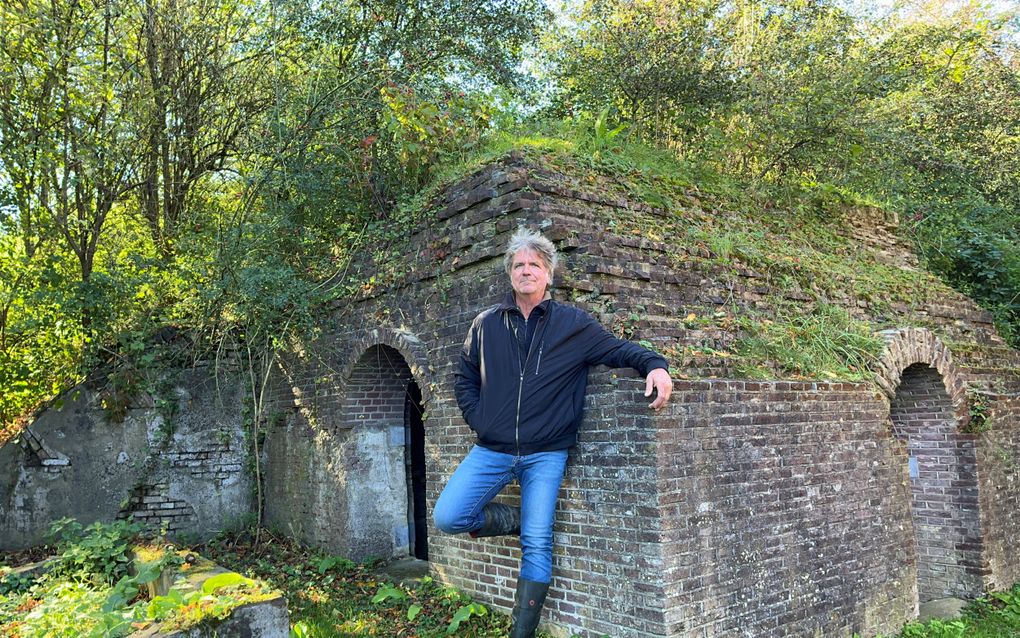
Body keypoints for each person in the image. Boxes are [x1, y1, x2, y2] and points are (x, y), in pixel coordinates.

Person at [433, 227, 673, 637]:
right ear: (511, 273)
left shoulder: (573, 324)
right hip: (492, 448)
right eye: (519, 265)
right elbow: (464, 379)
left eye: (535, 265)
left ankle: (521, 633)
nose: (526, 271)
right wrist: (481, 420)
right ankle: (520, 519)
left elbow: (618, 349)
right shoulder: (487, 323)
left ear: (548, 274)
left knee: (538, 545)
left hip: (546, 454)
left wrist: (655, 365)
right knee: (449, 516)